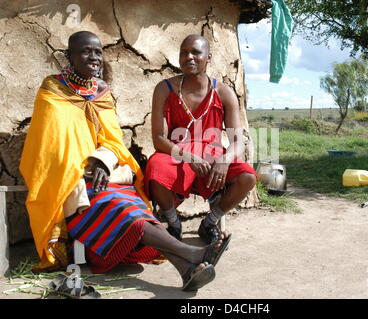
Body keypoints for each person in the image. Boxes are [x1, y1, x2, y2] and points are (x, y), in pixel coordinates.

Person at [19, 31, 229, 292]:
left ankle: (186, 269)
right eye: (86, 51)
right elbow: (51, 146)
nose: (94, 57)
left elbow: (113, 140)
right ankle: (192, 253)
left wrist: (103, 160)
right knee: (123, 209)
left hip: (106, 175)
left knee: (136, 207)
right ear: (68, 57)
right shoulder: (52, 90)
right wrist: (84, 168)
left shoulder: (101, 94)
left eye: (98, 52)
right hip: (70, 181)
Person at [145, 34, 257, 244]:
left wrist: (224, 161)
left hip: (212, 156)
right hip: (178, 154)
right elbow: (159, 138)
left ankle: (209, 223)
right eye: (184, 53)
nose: (189, 57)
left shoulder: (224, 92)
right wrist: (188, 157)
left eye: (196, 52)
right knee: (154, 167)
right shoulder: (164, 89)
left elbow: (237, 140)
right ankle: (173, 222)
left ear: (209, 57)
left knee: (248, 177)